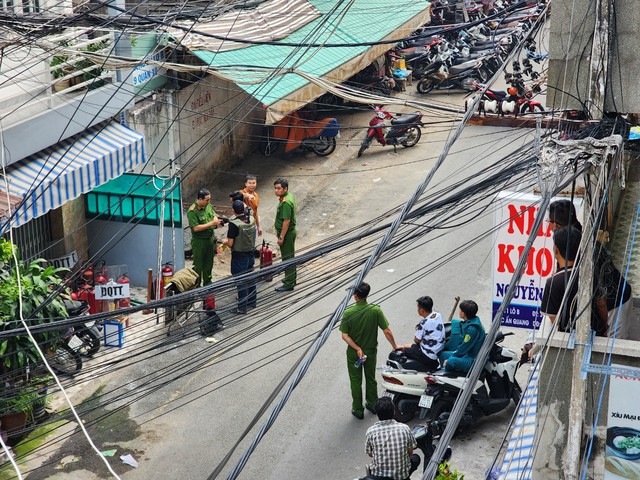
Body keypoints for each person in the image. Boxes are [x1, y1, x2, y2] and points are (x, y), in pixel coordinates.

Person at [339, 282, 401, 419]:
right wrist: (395, 346)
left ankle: (358, 409)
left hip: (354, 354)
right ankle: (373, 404)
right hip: (370, 353)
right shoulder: (375, 310)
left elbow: (345, 335)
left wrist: (357, 348)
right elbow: (387, 331)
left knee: (356, 381)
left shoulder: (348, 313)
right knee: (371, 378)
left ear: (355, 297)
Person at [365, 397, 420, 480]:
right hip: (402, 477)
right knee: (416, 458)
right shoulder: (404, 428)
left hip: (378, 476)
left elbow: (370, 454)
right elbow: (410, 451)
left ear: (377, 413)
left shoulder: (371, 432)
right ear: (394, 412)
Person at [540, 226, 581, 332]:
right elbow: (601, 303)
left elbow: (554, 319)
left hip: (567, 335)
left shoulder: (553, 282)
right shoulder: (586, 273)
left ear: (556, 249)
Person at [220, 200, 257, 314]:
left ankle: (242, 308)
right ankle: (252, 301)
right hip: (250, 254)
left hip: (239, 256)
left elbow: (230, 243)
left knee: (240, 281)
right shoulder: (251, 219)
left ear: (233, 210)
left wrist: (222, 241)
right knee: (250, 277)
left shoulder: (234, 225)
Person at [187, 189, 221, 286]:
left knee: (208, 264)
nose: (209, 201)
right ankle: (197, 285)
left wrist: (215, 219)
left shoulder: (207, 206)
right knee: (198, 265)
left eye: (209, 199)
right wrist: (211, 223)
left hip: (209, 240)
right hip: (199, 242)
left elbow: (213, 214)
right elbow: (196, 228)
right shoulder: (192, 211)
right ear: (200, 199)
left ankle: (207, 283)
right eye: (207, 200)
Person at [440, 300, 486, 373]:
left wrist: (451, 358)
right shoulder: (470, 322)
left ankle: (450, 378)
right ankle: (446, 373)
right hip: (466, 354)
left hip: (472, 359)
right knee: (443, 354)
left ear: (463, 313)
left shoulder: (472, 329)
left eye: (460, 310)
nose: (459, 311)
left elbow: (464, 348)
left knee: (451, 361)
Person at [401, 296, 445, 372]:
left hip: (427, 355)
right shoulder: (437, 315)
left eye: (418, 308)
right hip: (436, 350)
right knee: (405, 345)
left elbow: (416, 340)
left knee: (400, 349)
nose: (417, 310)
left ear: (421, 310)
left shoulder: (423, 323)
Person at [273, 178, 297, 292]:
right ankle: (291, 278)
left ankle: (289, 283)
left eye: (279, 189)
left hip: (286, 234)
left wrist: (281, 237)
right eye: (275, 188)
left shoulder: (286, 202)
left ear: (285, 189)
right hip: (288, 233)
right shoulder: (287, 197)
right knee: (288, 257)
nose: (276, 191)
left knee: (288, 259)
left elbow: (286, 221)